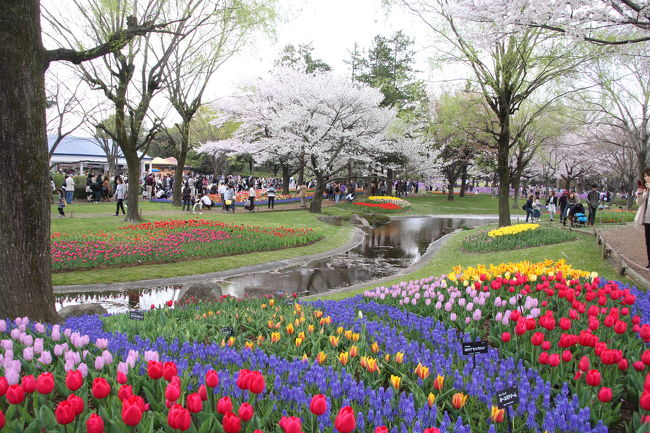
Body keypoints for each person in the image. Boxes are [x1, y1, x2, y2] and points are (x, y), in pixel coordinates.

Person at [635, 168, 650, 269]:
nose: (646, 178)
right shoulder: (645, 189)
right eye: (645, 176)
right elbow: (639, 203)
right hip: (647, 219)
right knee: (648, 241)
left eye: (648, 175)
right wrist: (640, 193)